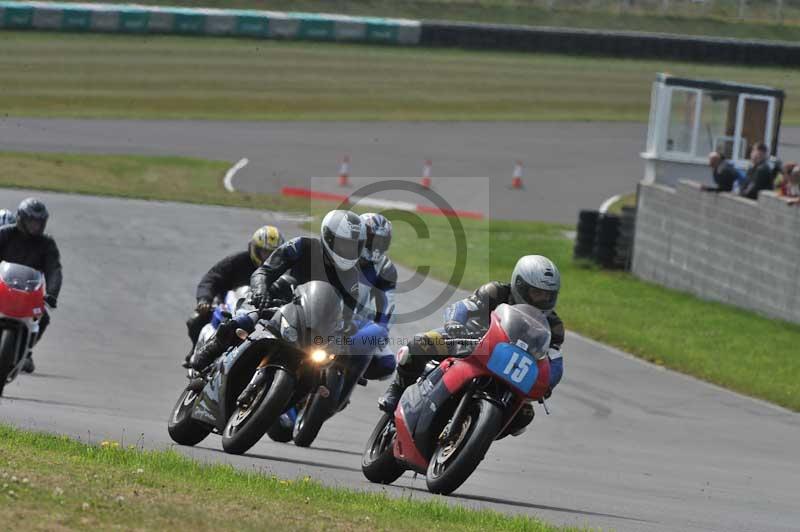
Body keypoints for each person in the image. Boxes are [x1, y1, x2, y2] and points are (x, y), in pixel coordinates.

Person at [378, 255, 565, 438]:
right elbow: (464, 306)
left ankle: (477, 433)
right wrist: (454, 323)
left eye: (548, 295)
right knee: (419, 344)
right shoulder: (496, 292)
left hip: (512, 367)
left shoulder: (553, 325)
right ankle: (397, 390)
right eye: (537, 293)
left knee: (524, 415)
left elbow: (555, 360)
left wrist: (548, 382)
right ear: (520, 285)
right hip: (470, 341)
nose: (542, 299)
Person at [189, 210, 366, 371]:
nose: (348, 251)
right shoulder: (301, 245)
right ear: (329, 237)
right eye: (344, 245)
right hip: (278, 300)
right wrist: (261, 291)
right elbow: (264, 271)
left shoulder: (351, 277)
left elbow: (348, 315)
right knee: (245, 319)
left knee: (330, 367)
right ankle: (213, 347)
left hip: (313, 326)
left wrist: (346, 331)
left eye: (354, 246)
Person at [183, 225, 284, 366]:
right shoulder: (237, 261)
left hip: (262, 312)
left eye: (272, 254)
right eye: (264, 252)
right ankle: (196, 354)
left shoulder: (283, 269)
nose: (268, 258)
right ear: (254, 249)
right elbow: (211, 278)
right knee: (195, 321)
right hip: (228, 307)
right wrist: (204, 299)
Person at [0, 198, 63, 373]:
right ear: (21, 218)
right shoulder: (5, 234)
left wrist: (52, 294)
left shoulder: (47, 244)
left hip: (28, 293)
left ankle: (26, 351)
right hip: (1, 287)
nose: (35, 226)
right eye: (31, 221)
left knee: (44, 317)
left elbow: (54, 270)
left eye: (38, 222)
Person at [355, 213, 397, 381]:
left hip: (356, 321)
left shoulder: (385, 268)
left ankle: (349, 375)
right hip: (326, 313)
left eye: (381, 242)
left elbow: (388, 305)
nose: (376, 247)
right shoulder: (341, 252)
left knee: (386, 365)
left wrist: (381, 330)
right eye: (373, 240)